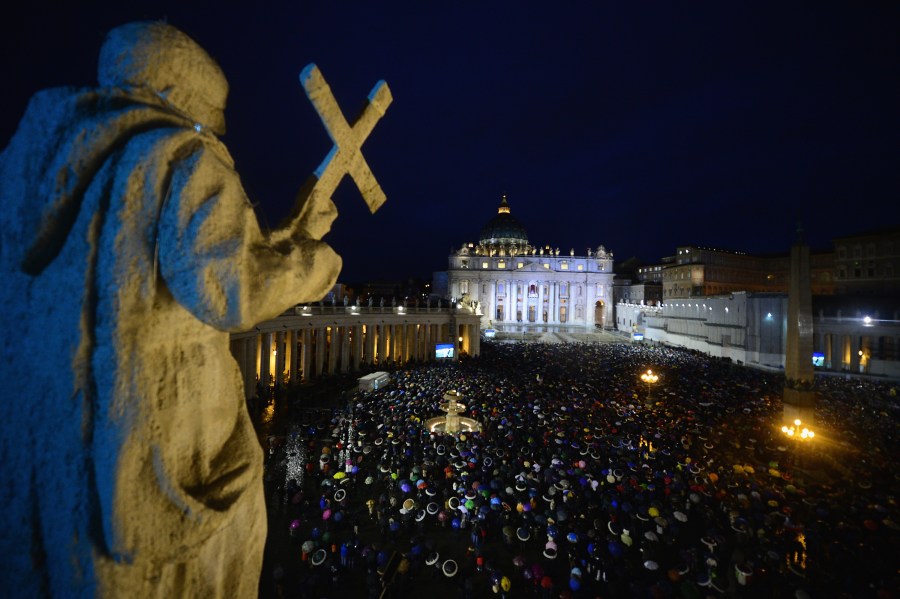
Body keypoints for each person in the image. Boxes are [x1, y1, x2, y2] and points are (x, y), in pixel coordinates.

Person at [0, 21, 342, 597]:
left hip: (49, 443)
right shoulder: (179, 152)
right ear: (189, 96)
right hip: (157, 439)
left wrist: (287, 235)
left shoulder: (27, 168)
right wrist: (315, 265)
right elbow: (231, 289)